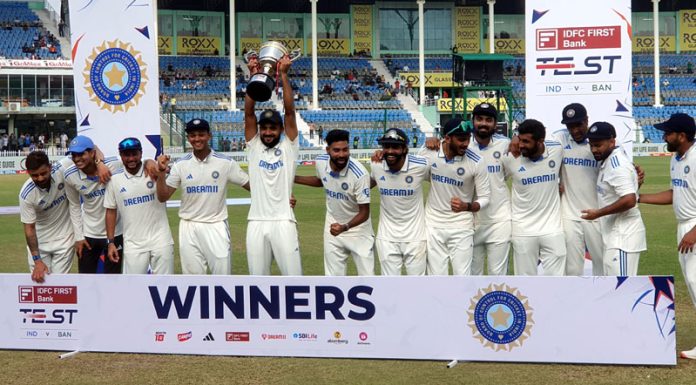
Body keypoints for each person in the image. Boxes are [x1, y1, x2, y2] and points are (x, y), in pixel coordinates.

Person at [156, 118, 250, 275]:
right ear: (188, 138)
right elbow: (163, 196)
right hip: (189, 226)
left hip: (216, 225)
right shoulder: (181, 164)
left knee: (222, 278)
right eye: (193, 135)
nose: (197, 139)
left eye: (201, 134)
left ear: (209, 136)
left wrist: (280, 198)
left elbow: (251, 186)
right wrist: (160, 172)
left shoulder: (225, 163)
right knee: (193, 281)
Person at [638, 113, 696, 359]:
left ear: (681, 136)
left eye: (668, 133)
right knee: (693, 285)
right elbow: (676, 193)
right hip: (684, 226)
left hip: (693, 227)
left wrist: (694, 231)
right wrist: (638, 199)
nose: (664, 136)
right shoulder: (676, 158)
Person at [245, 54, 302, 276]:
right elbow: (249, 113)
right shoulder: (254, 145)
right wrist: (253, 76)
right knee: (257, 281)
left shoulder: (289, 146)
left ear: (280, 129)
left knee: (294, 278)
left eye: (273, 128)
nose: (268, 132)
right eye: (264, 128)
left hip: (283, 221)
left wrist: (284, 75)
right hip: (256, 221)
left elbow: (290, 112)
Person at [294, 129, 375, 275]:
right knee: (333, 279)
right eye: (336, 150)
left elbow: (365, 212)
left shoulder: (360, 174)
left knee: (367, 279)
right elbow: (321, 181)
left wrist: (345, 227)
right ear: (328, 150)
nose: (342, 155)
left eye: (345, 150)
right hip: (332, 226)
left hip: (358, 230)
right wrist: (295, 178)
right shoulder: (320, 162)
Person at [420, 118, 490, 275]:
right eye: (461, 139)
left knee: (462, 278)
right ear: (447, 138)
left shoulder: (477, 161)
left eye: (468, 139)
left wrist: (467, 206)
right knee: (437, 279)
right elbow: (414, 173)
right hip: (433, 225)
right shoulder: (428, 153)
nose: (466, 144)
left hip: (461, 226)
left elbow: (485, 197)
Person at [501, 119, 566, 276]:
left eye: (526, 141)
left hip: (552, 229)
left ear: (540, 141)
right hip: (523, 230)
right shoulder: (510, 157)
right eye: (520, 139)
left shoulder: (557, 150)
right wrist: (514, 139)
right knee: (525, 284)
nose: (521, 145)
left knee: (557, 283)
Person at [581, 122, 646, 276]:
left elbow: (630, 200)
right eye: (591, 145)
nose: (594, 150)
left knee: (621, 288)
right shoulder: (608, 161)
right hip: (615, 236)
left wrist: (598, 214)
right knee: (615, 288)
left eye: (598, 145)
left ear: (612, 142)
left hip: (623, 238)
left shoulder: (617, 165)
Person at [104, 138, 174, 274]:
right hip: (133, 243)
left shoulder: (152, 171)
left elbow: (164, 194)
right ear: (121, 155)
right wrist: (111, 242)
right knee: (133, 288)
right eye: (126, 155)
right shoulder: (114, 179)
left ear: (141, 154)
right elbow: (110, 211)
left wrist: (159, 172)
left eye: (134, 154)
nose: (131, 159)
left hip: (161, 240)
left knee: (165, 286)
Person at [63, 136, 127, 274]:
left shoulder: (113, 165)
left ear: (92, 153)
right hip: (89, 235)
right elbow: (74, 206)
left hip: (116, 232)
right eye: (74, 155)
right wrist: (79, 237)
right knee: (86, 279)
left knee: (113, 279)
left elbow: (137, 162)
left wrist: (150, 163)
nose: (77, 159)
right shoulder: (70, 175)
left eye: (81, 154)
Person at [554, 103, 604, 276]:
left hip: (596, 213)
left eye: (578, 125)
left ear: (587, 121)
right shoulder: (559, 139)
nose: (574, 130)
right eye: (570, 126)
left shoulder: (599, 140)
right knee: (572, 268)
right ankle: (572, 302)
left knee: (601, 264)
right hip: (569, 214)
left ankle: (600, 302)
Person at [371, 128, 430, 275]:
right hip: (387, 239)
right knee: (390, 287)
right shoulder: (376, 165)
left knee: (417, 287)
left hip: (416, 239)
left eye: (395, 147)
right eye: (386, 147)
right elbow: (365, 186)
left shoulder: (421, 165)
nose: (390, 151)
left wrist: (437, 142)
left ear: (405, 149)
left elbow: (442, 167)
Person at [19, 151, 82, 283]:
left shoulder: (62, 166)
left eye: (43, 173)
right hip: (40, 244)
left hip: (65, 239)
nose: (40, 178)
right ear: (28, 173)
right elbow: (29, 228)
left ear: (50, 167)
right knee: (41, 288)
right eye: (34, 175)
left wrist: (99, 164)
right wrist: (37, 260)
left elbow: (89, 150)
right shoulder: (26, 194)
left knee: (59, 287)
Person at [469, 103, 512, 275]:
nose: (483, 124)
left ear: (495, 124)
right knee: (472, 277)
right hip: (470, 223)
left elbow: (510, 173)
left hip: (499, 221)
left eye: (488, 120)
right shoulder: (464, 145)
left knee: (498, 276)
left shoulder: (505, 145)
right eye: (479, 119)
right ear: (473, 121)